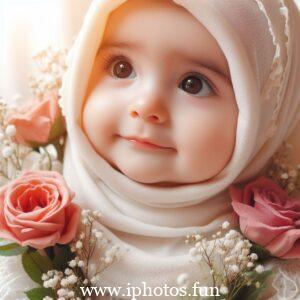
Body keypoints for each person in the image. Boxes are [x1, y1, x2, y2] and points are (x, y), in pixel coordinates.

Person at [1, 0, 300, 299]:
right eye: (122, 68)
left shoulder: (279, 277)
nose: (145, 106)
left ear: (262, 119)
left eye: (193, 84)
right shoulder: (25, 221)